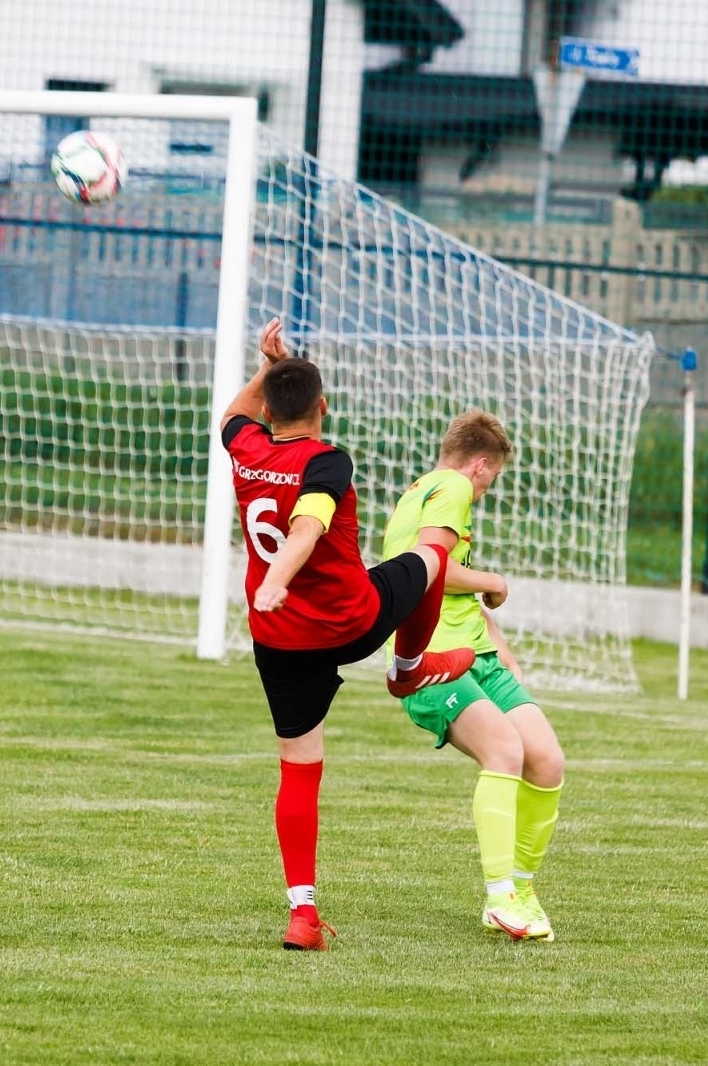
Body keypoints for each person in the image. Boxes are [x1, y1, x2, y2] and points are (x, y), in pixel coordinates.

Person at [222, 318, 476, 952]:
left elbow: (233, 413)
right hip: (348, 622)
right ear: (323, 408)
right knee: (433, 561)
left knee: (299, 768)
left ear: (269, 410)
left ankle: (302, 915)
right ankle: (409, 668)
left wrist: (266, 368)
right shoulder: (327, 460)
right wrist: (277, 577)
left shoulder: (246, 448)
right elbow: (307, 528)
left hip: (279, 640)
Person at [380, 410, 565, 941]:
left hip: (476, 655)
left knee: (547, 760)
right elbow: (427, 565)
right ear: (481, 466)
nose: (488, 488)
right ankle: (500, 896)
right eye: (495, 478)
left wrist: (500, 645)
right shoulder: (452, 488)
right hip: (431, 661)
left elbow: (442, 581)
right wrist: (493, 579)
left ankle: (523, 888)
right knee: (505, 751)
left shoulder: (424, 491)